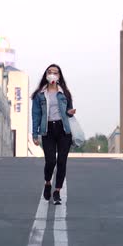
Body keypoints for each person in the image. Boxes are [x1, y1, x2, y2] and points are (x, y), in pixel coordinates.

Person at [31, 64, 76, 205]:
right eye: (50, 72)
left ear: (59, 76)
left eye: (55, 73)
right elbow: (36, 115)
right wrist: (35, 134)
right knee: (50, 161)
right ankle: (47, 182)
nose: (52, 74)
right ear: (46, 75)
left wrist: (70, 112)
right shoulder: (39, 95)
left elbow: (69, 111)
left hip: (63, 130)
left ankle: (57, 191)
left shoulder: (65, 93)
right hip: (48, 130)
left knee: (62, 161)